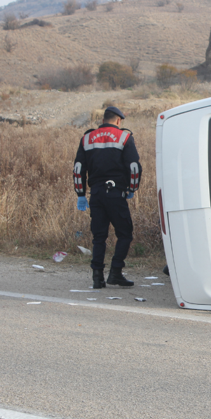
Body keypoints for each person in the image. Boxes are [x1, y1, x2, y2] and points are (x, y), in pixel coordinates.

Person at [73, 106, 141, 288]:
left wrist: (81, 194)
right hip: (116, 194)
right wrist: (132, 189)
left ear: (103, 120)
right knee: (125, 234)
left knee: (99, 237)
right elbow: (134, 166)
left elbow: (78, 169)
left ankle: (97, 277)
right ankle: (115, 272)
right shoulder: (124, 137)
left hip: (95, 195)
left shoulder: (87, 138)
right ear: (118, 121)